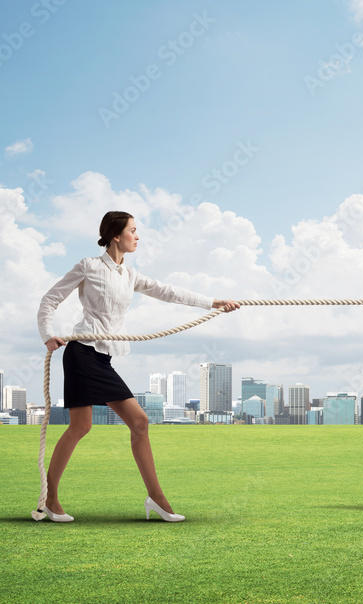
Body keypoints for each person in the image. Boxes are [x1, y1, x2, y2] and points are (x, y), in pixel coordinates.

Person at [36, 211, 240, 522]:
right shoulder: (88, 266)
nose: (138, 236)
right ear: (116, 235)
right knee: (81, 426)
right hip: (80, 354)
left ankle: (156, 499)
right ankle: (50, 499)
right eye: (133, 230)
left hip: (103, 359)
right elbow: (50, 300)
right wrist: (48, 335)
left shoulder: (130, 275)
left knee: (140, 423)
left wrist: (214, 303)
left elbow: (169, 292)